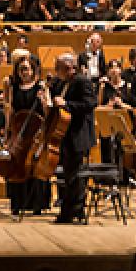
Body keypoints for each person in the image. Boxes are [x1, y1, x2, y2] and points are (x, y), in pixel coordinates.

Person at [51, 53, 97, 224]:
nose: (56, 71)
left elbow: (90, 104)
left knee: (75, 176)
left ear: (68, 67)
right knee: (69, 175)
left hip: (79, 134)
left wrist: (66, 104)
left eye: (58, 68)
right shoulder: (63, 83)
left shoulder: (82, 81)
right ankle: (70, 211)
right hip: (66, 134)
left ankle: (73, 211)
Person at [2, 55, 49, 216]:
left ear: (33, 70)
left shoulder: (41, 87)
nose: (24, 72)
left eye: (27, 69)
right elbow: (10, 111)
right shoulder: (13, 87)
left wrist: (43, 101)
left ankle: (37, 204)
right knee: (18, 165)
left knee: (35, 166)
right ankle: (17, 203)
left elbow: (47, 112)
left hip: (36, 133)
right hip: (19, 133)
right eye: (21, 69)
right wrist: (7, 133)